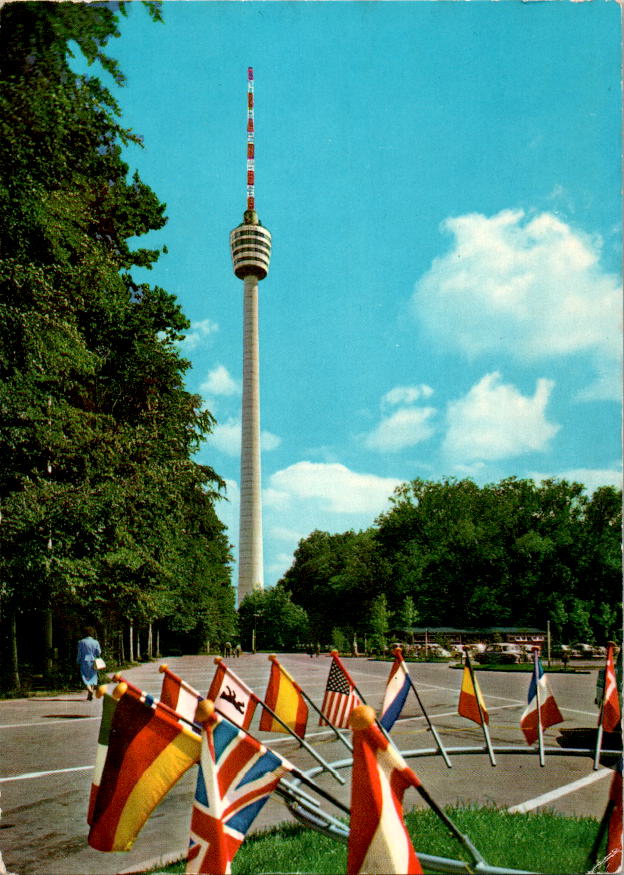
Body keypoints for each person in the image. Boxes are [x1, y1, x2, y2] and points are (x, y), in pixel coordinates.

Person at [77, 626, 101, 701]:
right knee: (93, 677)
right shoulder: (96, 642)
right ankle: (90, 693)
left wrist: (78, 660)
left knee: (84, 677)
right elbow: (98, 652)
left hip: (84, 661)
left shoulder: (81, 642)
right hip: (93, 661)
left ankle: (89, 691)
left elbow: (79, 653)